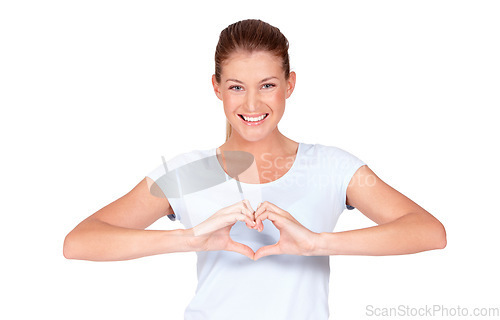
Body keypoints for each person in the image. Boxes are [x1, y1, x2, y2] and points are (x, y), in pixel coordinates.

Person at [63, 19, 447, 319]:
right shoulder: (197, 172)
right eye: (235, 87)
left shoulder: (329, 166)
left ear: (289, 84)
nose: (251, 103)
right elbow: (80, 241)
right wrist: (190, 239)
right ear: (216, 87)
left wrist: (316, 243)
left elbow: (429, 231)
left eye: (266, 85)